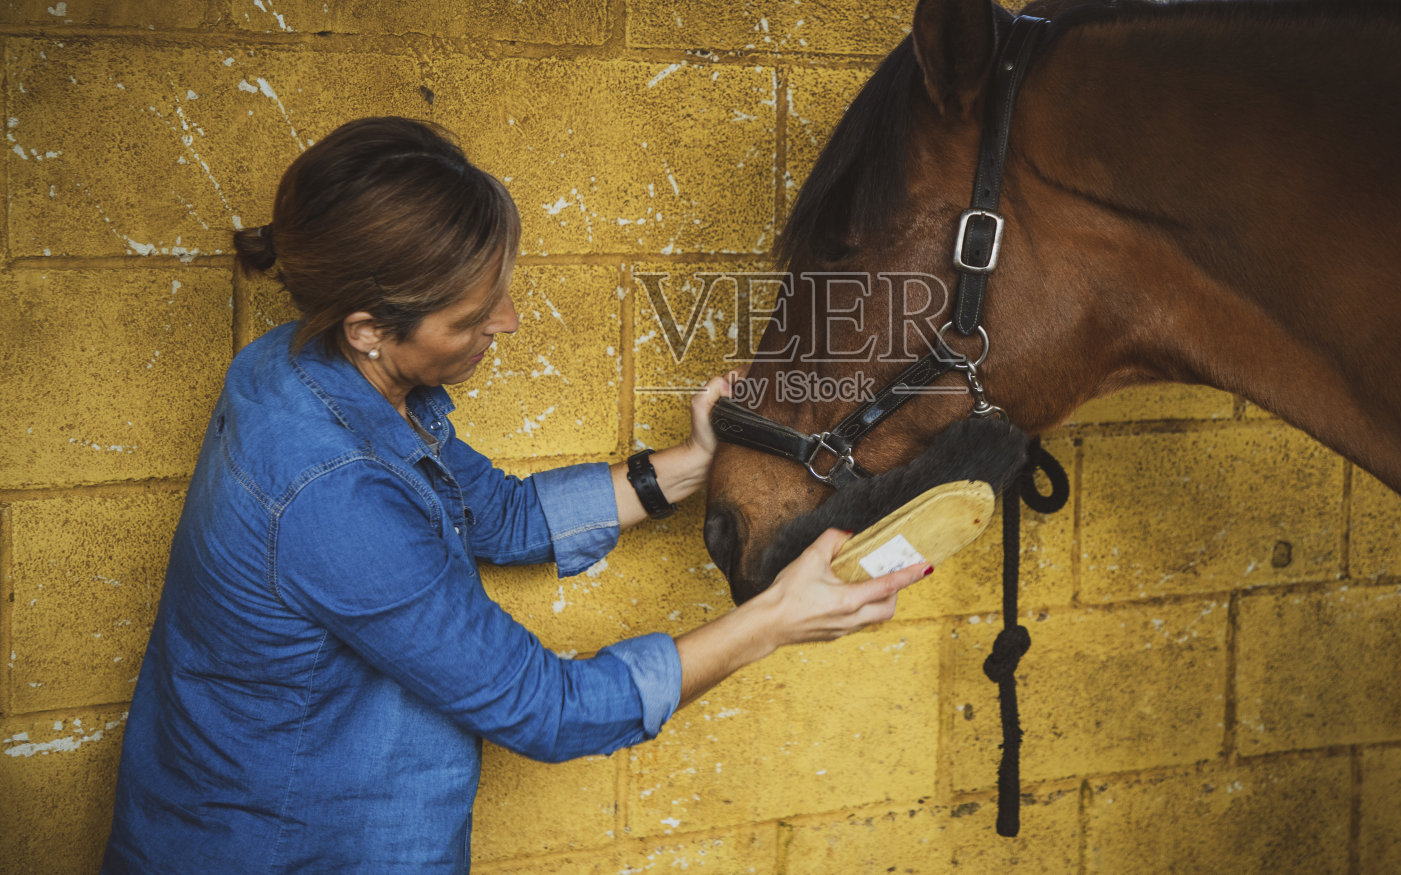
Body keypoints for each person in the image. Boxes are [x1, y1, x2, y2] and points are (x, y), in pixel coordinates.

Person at [101, 117, 926, 873]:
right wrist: (777, 619)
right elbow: (548, 709)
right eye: (472, 314)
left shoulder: (297, 368)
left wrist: (693, 458)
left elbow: (499, 514)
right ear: (368, 327)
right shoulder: (335, 495)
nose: (509, 320)